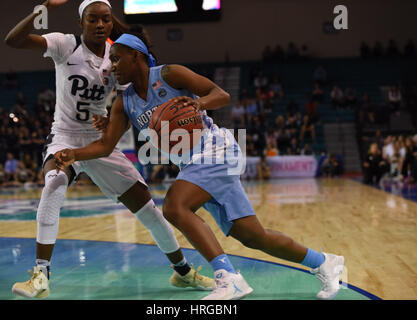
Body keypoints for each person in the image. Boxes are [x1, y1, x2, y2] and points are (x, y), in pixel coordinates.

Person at [54, 30, 346, 300]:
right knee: (253, 236)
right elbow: (106, 145)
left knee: (175, 206)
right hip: (194, 163)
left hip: (216, 149)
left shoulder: (169, 74)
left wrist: (200, 104)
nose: (112, 66)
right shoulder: (124, 102)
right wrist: (74, 154)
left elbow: (222, 95)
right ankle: (325, 263)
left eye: (116, 58)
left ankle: (228, 277)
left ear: (136, 55)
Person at [5, 0, 213, 299]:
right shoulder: (66, 45)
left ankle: (183, 273)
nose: (100, 24)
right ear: (82, 23)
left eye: (105, 19)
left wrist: (111, 118)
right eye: (93, 19)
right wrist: (42, 10)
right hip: (64, 136)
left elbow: (128, 105)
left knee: (148, 209)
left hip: (100, 142)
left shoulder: (118, 55)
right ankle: (40, 275)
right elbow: (13, 41)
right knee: (54, 183)